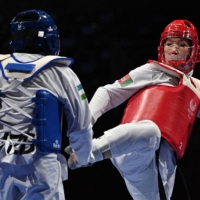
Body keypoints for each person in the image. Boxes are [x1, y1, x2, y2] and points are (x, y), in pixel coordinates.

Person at [66, 19, 200, 200]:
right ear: (162, 48)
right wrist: (84, 127)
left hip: (163, 164)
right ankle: (89, 152)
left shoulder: (197, 88)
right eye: (169, 44)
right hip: (132, 149)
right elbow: (108, 92)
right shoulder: (153, 71)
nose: (174, 50)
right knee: (152, 131)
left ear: (194, 51)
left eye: (182, 45)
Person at [0, 9, 93, 200]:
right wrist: (83, 157)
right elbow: (81, 127)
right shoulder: (60, 72)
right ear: (50, 39)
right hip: (40, 168)